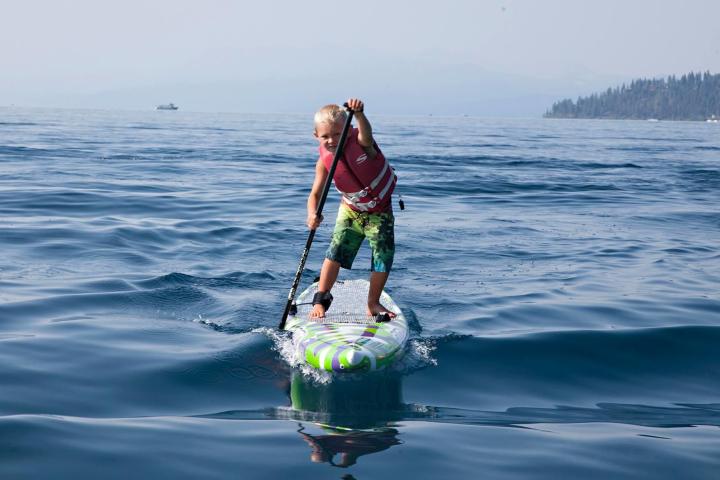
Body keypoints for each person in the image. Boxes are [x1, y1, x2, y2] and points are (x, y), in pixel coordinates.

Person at [306, 98, 397, 319]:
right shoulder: (323, 160)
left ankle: (373, 303)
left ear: (347, 132)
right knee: (335, 252)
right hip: (350, 210)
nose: (331, 140)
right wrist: (312, 213)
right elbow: (315, 194)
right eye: (325, 136)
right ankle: (321, 300)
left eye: (337, 134)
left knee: (382, 256)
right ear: (316, 136)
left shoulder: (362, 143)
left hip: (380, 212)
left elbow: (366, 133)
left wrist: (359, 114)